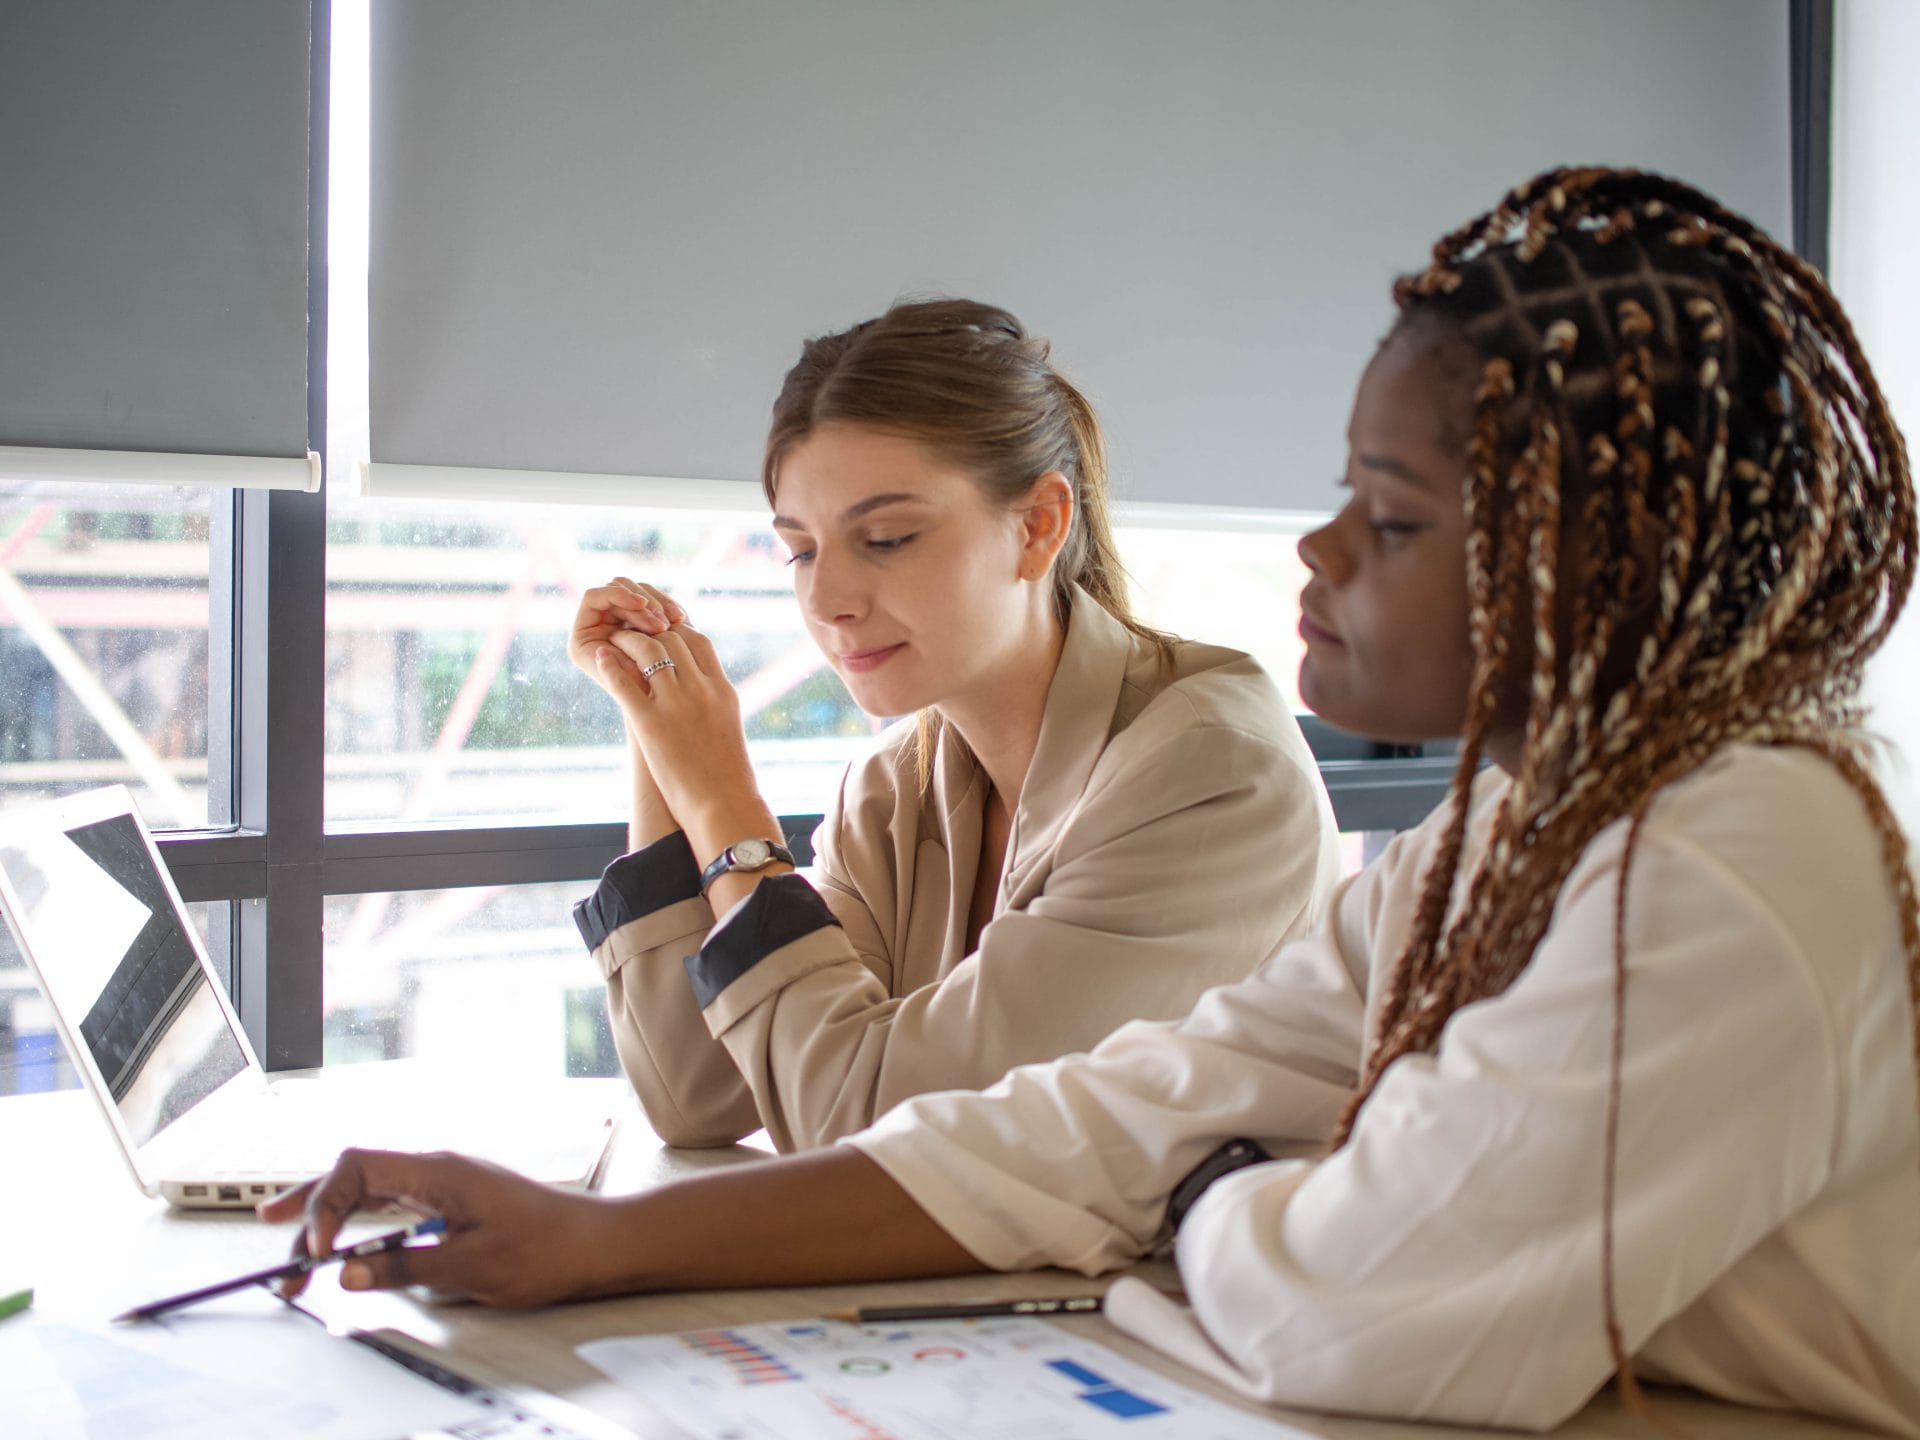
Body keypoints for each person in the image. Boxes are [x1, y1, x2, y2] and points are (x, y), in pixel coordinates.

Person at [268, 169, 1920, 1435]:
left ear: (1591, 562)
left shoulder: (1742, 849)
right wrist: (591, 1243)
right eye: (799, 546)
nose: (1319, 551)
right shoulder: (1523, 829)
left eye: (1391, 518)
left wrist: (1206, 1186)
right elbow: (1109, 1114)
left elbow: (1363, 1315)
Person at [563, 299, 1341, 1150]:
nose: (827, 601)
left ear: (1038, 526)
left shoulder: (1212, 771)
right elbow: (699, 1094)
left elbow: (876, 1129)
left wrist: (722, 803)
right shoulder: (894, 792)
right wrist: (663, 738)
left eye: (888, 538)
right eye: (802, 549)